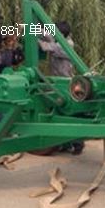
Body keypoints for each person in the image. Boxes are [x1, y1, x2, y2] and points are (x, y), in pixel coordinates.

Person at [38, 20, 84, 155]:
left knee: (70, 113)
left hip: (66, 82)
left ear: (61, 34)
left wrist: (31, 37)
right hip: (58, 81)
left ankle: (77, 143)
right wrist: (29, 27)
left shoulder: (66, 44)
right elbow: (46, 35)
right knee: (60, 111)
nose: (53, 34)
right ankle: (64, 144)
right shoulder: (60, 39)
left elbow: (45, 46)